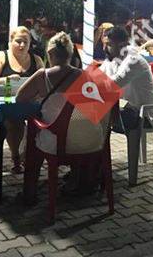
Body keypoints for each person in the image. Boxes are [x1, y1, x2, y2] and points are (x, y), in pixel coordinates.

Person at [17, 32, 104, 192]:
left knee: (33, 134)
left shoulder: (43, 76)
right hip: (91, 141)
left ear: (50, 53)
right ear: (70, 54)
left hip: (60, 143)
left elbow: (19, 98)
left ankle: (30, 191)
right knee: (71, 129)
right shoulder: (85, 76)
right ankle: (77, 181)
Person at [100, 26, 153, 183]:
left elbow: (113, 84)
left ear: (121, 45)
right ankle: (95, 168)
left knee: (96, 120)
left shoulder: (133, 60)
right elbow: (100, 76)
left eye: (108, 44)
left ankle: (95, 169)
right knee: (94, 118)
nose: (104, 48)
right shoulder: (114, 58)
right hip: (128, 109)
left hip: (143, 115)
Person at [0, 26, 44, 173]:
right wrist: (6, 80)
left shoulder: (36, 60)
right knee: (13, 122)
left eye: (26, 42)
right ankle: (16, 157)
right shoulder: (0, 57)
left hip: (31, 103)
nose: (22, 45)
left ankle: (30, 155)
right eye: (18, 41)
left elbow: (44, 81)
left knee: (44, 119)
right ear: (10, 41)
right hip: (7, 103)